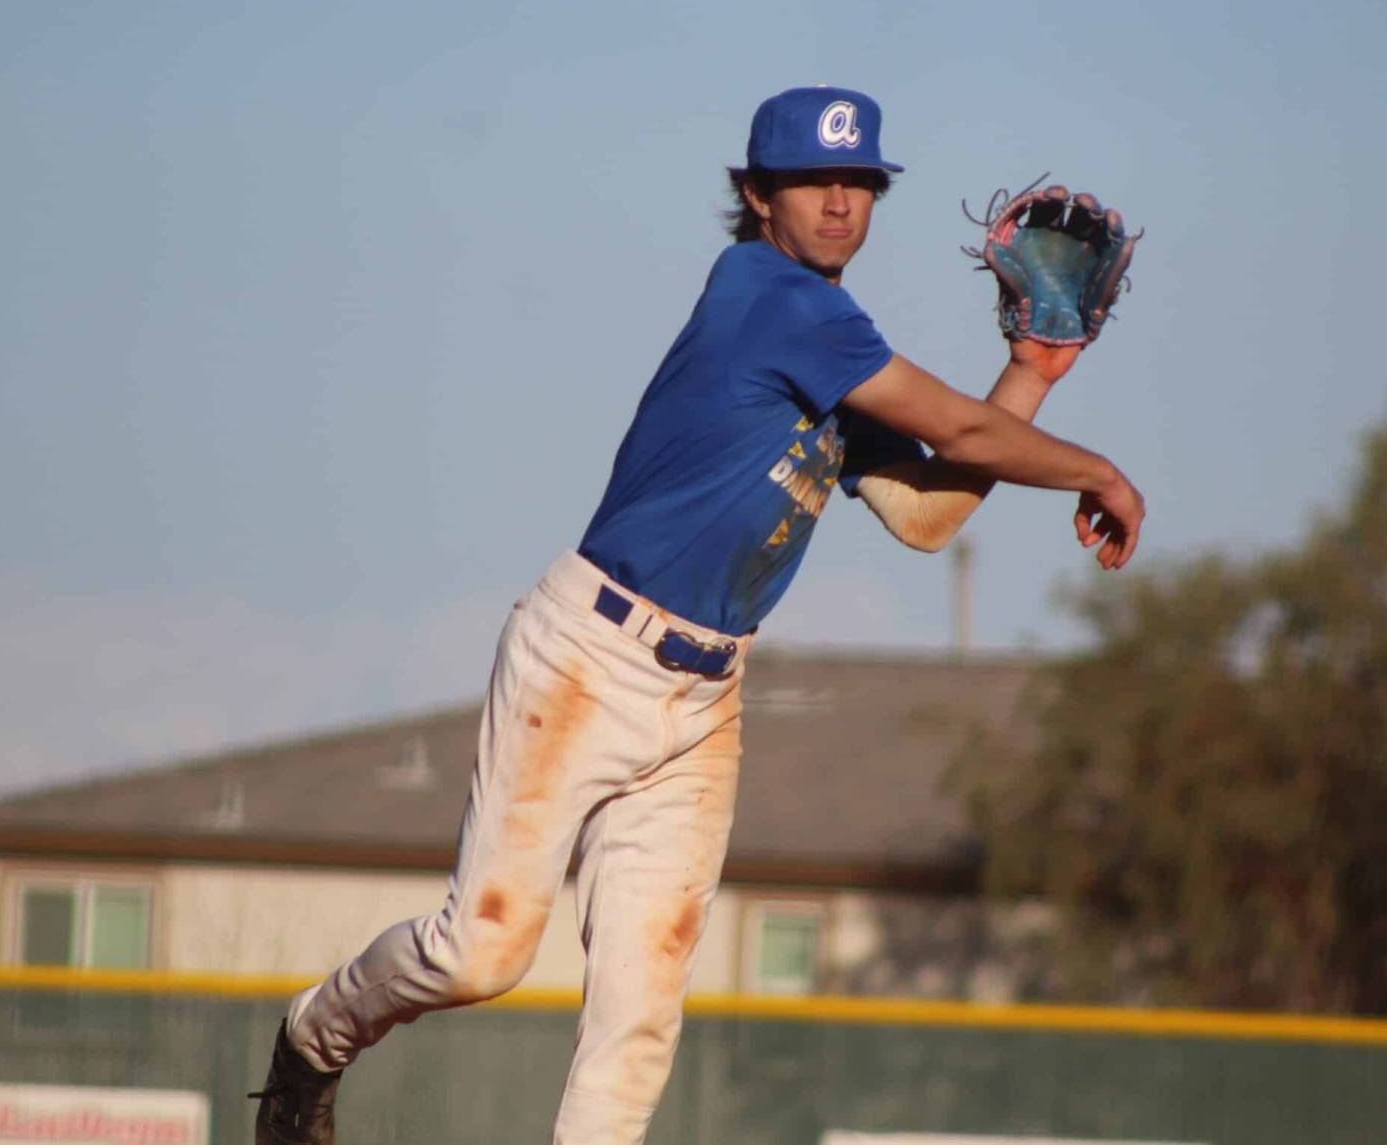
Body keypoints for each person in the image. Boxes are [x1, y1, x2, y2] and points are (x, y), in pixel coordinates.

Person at [249, 85, 1146, 1145]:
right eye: (814, 180)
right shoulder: (772, 297)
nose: (839, 202)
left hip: (702, 699)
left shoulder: (830, 349)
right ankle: (314, 1038)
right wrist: (1099, 472)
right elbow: (958, 430)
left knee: (638, 1021)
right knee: (479, 955)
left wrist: (1029, 376)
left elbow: (926, 510)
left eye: (860, 183)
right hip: (589, 661)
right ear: (756, 195)